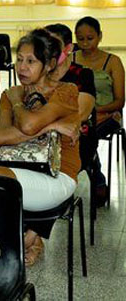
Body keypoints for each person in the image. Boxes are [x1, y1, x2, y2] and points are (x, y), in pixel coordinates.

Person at [0, 29, 80, 266]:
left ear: (49, 64)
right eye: (19, 60)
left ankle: (8, 253)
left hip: (57, 179)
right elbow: (0, 136)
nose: (22, 68)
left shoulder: (65, 91)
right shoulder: (9, 95)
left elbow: (28, 125)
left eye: (31, 61)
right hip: (19, 172)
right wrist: (52, 126)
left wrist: (20, 102)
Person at [46, 23, 107, 205]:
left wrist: (43, 122)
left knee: (53, 169)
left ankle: (36, 228)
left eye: (53, 44)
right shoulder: (40, 73)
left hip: (77, 140)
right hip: (43, 137)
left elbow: (79, 115)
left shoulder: (83, 74)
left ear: (68, 48)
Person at [73, 16, 125, 137]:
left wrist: (95, 110)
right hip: (76, 113)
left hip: (103, 114)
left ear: (100, 36)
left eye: (90, 38)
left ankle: (88, 154)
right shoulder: (70, 59)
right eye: (80, 39)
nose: (85, 43)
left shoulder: (113, 61)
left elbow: (120, 101)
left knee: (84, 133)